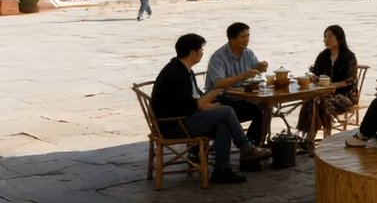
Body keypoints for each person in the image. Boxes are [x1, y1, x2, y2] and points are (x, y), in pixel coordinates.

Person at [152, 33, 270, 184]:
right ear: (192, 52)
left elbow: (193, 102)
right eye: (200, 49)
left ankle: (222, 171)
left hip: (184, 118)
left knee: (223, 124)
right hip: (175, 125)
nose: (202, 52)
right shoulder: (177, 74)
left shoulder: (183, 69)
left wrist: (213, 106)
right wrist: (215, 92)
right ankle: (246, 148)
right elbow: (198, 105)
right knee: (226, 111)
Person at [204, 21, 270, 146]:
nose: (246, 40)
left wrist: (261, 67)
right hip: (221, 99)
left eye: (248, 36)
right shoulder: (218, 57)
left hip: (242, 98)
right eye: (243, 37)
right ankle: (247, 146)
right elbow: (218, 83)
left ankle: (252, 143)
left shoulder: (248, 53)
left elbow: (255, 69)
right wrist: (243, 76)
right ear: (232, 39)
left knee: (265, 109)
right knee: (258, 110)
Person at [296, 24, 359, 142]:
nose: (326, 40)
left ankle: (316, 137)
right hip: (324, 93)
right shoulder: (323, 56)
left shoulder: (349, 57)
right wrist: (313, 78)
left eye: (330, 37)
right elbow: (314, 72)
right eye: (325, 37)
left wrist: (332, 86)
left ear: (339, 38)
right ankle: (308, 137)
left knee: (321, 103)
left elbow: (350, 80)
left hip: (345, 94)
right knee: (310, 101)